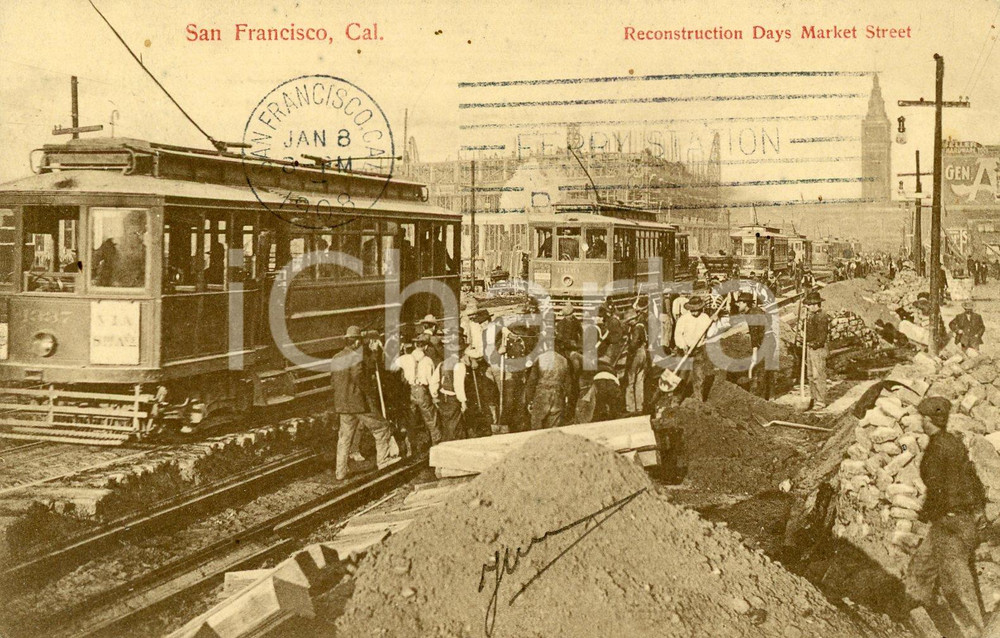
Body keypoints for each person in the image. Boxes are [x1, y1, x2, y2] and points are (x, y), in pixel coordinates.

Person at [904, 397, 987, 638]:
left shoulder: (936, 450)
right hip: (955, 519)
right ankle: (911, 618)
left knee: (957, 584)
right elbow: (971, 477)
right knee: (921, 568)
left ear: (928, 421)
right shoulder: (954, 443)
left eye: (923, 418)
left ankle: (975, 633)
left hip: (950, 522)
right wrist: (979, 508)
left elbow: (937, 489)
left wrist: (925, 514)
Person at [330, 326, 395, 481]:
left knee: (344, 437)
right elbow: (359, 377)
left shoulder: (336, 357)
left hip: (342, 404)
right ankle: (384, 461)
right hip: (358, 403)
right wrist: (369, 393)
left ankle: (340, 472)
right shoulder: (355, 357)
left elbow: (333, 381)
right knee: (381, 428)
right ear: (357, 341)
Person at [392, 334, 441, 446]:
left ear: (414, 345)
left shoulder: (404, 358)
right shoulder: (428, 360)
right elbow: (431, 380)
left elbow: (393, 367)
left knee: (411, 420)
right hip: (422, 391)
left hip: (409, 391)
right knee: (430, 418)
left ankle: (412, 446)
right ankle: (436, 444)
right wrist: (434, 396)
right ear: (425, 347)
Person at [672, 296, 716, 402]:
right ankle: (676, 400)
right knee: (681, 376)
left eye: (697, 310)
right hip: (684, 351)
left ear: (701, 308)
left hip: (698, 350)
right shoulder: (683, 319)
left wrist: (713, 323)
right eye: (692, 310)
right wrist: (683, 346)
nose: (695, 313)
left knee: (699, 376)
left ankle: (698, 400)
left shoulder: (705, 318)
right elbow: (677, 335)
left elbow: (710, 334)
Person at [525, 342, 573, 430]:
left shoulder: (540, 358)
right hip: (558, 395)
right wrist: (566, 397)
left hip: (542, 394)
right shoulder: (564, 360)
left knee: (536, 424)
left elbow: (532, 381)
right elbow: (568, 383)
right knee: (553, 427)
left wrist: (529, 399)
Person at [735, 291, 774, 400]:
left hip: (765, 341)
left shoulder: (752, 314)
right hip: (769, 339)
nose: (738, 305)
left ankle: (758, 397)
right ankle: (770, 395)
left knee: (760, 368)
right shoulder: (756, 311)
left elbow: (754, 334)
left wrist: (755, 353)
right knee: (767, 367)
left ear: (745, 303)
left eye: (740, 303)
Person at [802, 291, 830, 410]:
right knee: (810, 375)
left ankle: (821, 401)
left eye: (808, 305)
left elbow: (821, 337)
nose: (807, 308)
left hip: (818, 349)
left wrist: (812, 344)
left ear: (814, 305)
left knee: (818, 375)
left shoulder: (822, 316)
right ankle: (813, 398)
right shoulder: (812, 315)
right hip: (810, 347)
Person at [592, 356, 625, 422]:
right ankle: (614, 414)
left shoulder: (596, 367)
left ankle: (602, 414)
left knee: (600, 399)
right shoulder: (611, 368)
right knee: (613, 399)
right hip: (611, 379)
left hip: (598, 379)